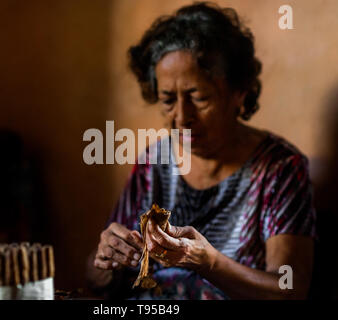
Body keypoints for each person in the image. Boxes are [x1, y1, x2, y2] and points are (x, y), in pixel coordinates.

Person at [86, 2, 317, 300]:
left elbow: (290, 290)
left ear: (240, 92)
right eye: (168, 99)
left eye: (199, 97)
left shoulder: (279, 168)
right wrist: (106, 262)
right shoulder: (153, 163)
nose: (182, 117)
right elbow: (97, 283)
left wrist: (209, 262)